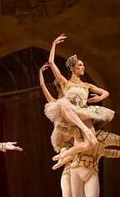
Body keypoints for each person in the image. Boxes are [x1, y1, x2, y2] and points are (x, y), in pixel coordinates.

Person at [44, 34, 114, 169]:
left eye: (83, 65)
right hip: (69, 113)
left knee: (92, 143)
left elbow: (105, 92)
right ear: (73, 68)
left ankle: (65, 156)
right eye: (80, 65)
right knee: (64, 103)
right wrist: (54, 44)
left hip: (82, 112)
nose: (83, 67)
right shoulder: (65, 83)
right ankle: (82, 131)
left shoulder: (86, 85)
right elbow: (52, 63)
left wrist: (100, 97)